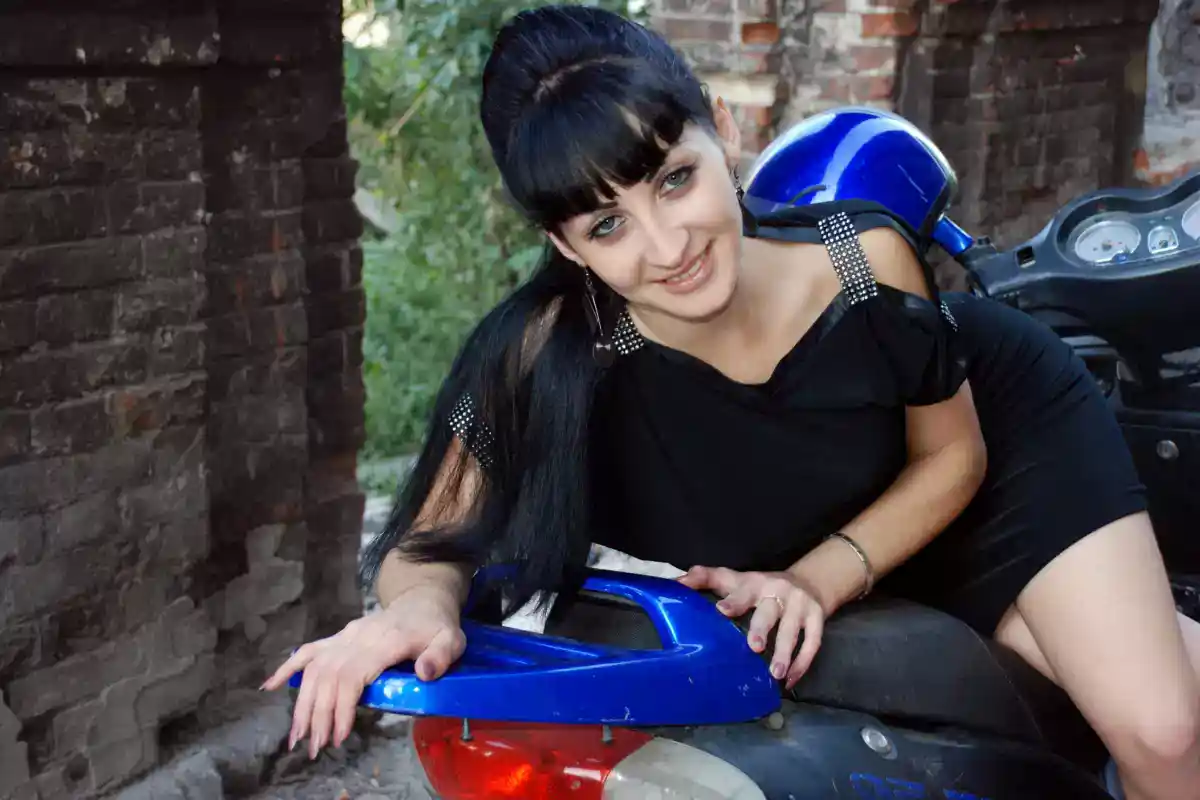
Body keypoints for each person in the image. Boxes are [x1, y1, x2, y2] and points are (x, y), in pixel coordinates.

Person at [262, 5, 1200, 797]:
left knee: (1161, 730)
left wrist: (816, 580)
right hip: (845, 531)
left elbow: (953, 456)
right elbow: (429, 540)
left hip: (997, 472)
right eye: (608, 223)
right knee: (1085, 676)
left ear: (723, 133)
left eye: (675, 178)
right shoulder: (547, 356)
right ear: (566, 246)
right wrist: (417, 611)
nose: (668, 246)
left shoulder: (862, 261)